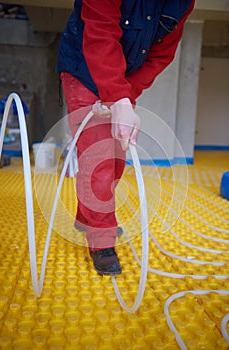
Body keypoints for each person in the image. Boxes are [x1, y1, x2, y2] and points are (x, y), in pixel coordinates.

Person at [57, 0, 195, 276]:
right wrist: (116, 96)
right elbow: (100, 32)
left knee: (115, 159)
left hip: (122, 79)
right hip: (82, 70)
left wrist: (123, 96)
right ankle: (102, 242)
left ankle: (88, 218)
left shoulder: (183, 3)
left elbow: (160, 56)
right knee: (99, 160)